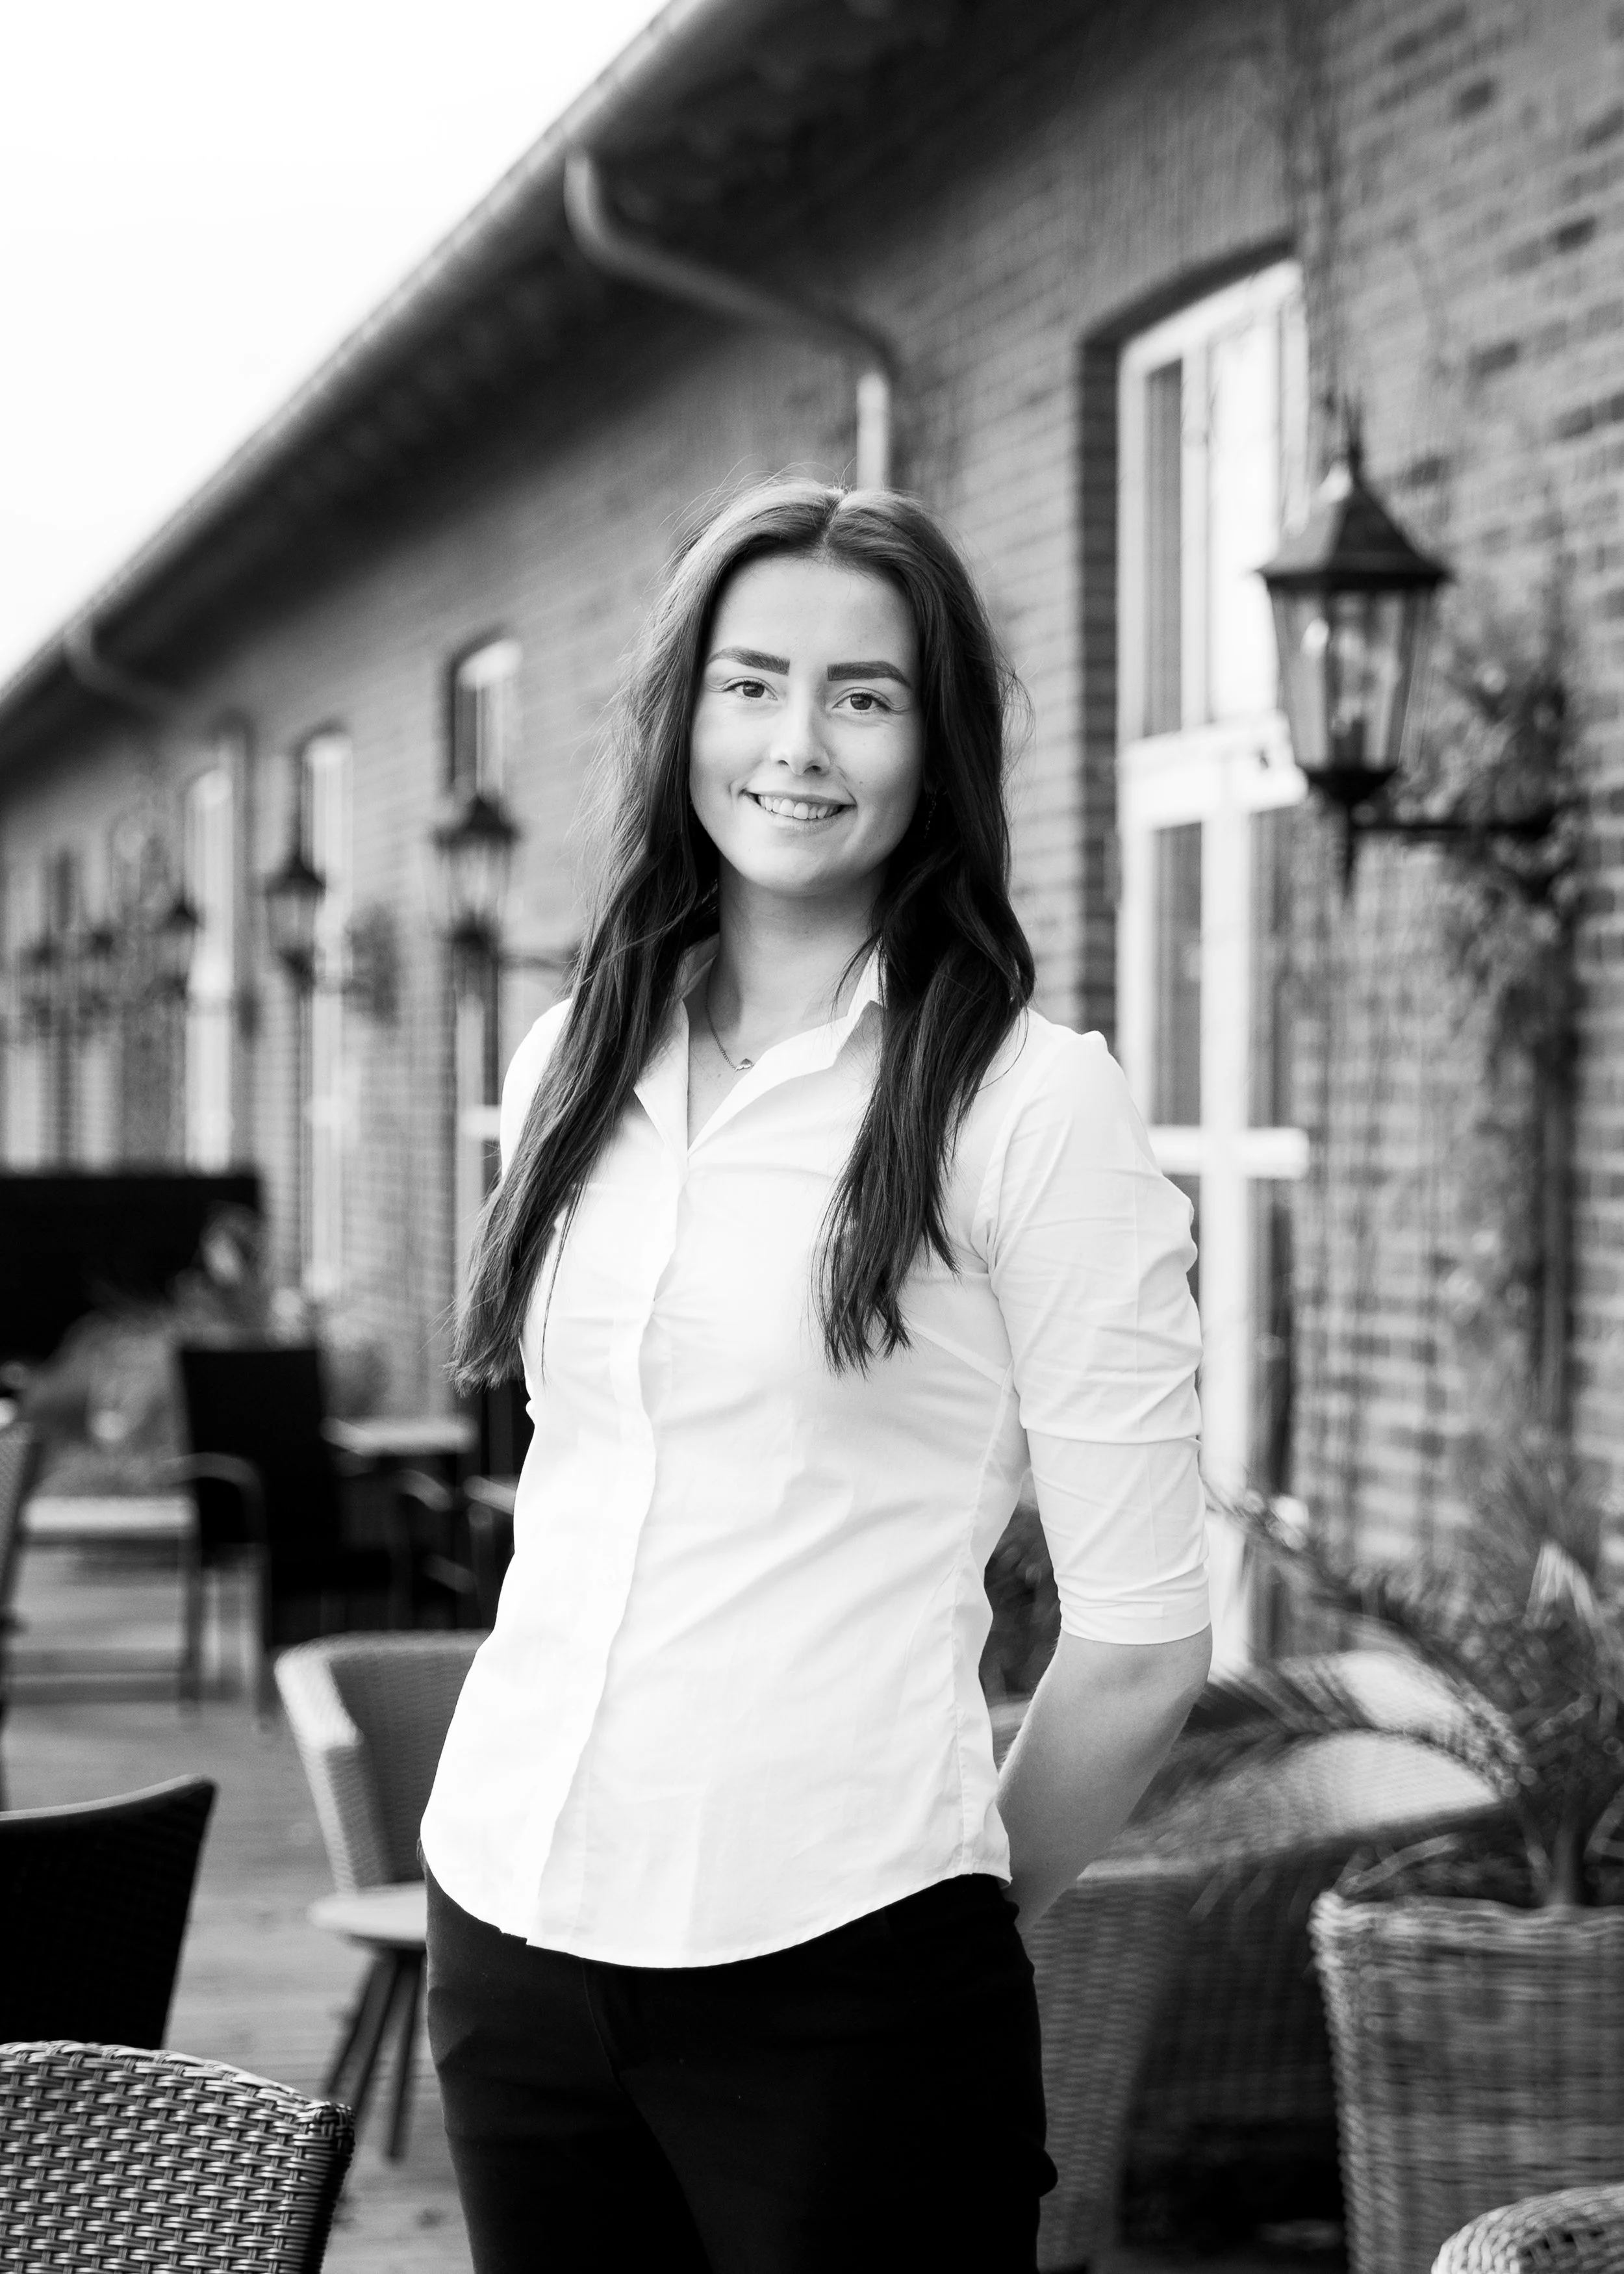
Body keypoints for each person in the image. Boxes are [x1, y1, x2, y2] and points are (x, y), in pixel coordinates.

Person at [422, 478, 1212, 2274]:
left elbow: (1145, 1649)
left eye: (864, 694)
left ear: (940, 743)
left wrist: (923, 1902)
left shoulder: (1029, 1103)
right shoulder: (568, 1052)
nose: (797, 742)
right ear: (680, 713)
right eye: (749, 680)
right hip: (513, 1926)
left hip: (842, 1977)